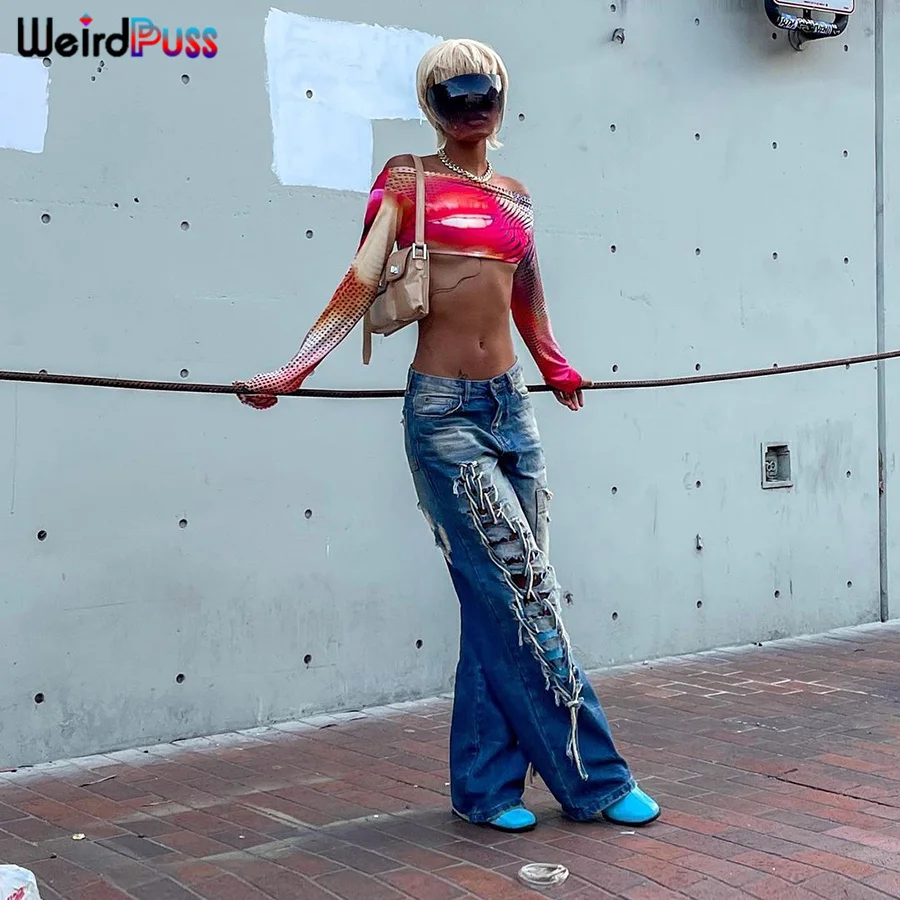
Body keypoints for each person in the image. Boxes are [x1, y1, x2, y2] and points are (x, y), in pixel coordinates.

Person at [235, 38, 660, 833]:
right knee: (527, 596)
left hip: (513, 410)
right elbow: (360, 279)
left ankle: (485, 789)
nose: (471, 109)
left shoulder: (515, 196)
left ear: (501, 100)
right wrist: (295, 368)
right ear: (431, 106)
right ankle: (596, 781)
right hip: (445, 417)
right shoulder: (408, 180)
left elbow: (526, 294)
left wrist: (557, 366)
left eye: (483, 94)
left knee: (499, 602)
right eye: (452, 95)